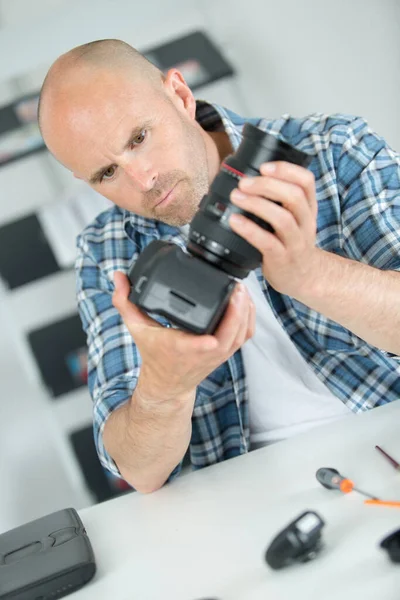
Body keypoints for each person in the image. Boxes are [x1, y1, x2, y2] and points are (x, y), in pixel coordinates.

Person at [38, 39, 400, 494]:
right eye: (106, 173)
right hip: (251, 494)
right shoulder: (106, 250)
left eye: (139, 138)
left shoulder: (331, 150)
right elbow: (138, 470)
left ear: (181, 95)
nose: (142, 178)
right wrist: (163, 388)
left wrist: (310, 273)